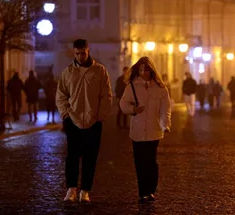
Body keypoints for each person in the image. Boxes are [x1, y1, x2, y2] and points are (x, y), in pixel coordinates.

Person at [56, 39, 112, 203]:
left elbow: (106, 95)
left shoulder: (100, 70)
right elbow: (61, 95)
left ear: (88, 51)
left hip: (93, 121)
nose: (80, 56)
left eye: (83, 53)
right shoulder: (68, 72)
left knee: (90, 158)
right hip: (73, 121)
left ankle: (85, 191)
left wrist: (100, 116)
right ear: (74, 53)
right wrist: (65, 114)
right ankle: (71, 189)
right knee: (72, 157)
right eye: (77, 53)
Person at [119, 56, 171, 204]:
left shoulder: (161, 89)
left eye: (146, 70)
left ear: (151, 70)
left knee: (151, 162)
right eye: (141, 70)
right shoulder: (132, 87)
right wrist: (133, 109)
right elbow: (123, 104)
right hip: (137, 131)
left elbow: (165, 109)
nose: (143, 73)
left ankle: (151, 190)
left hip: (154, 131)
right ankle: (143, 192)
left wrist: (164, 124)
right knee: (140, 163)